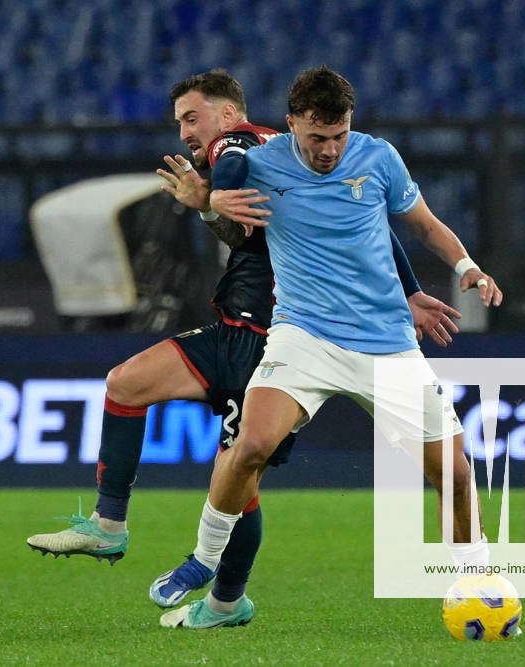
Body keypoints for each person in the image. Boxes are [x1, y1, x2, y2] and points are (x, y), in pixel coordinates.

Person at [25, 69, 462, 612]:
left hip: (280, 336)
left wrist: (213, 197)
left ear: (229, 114)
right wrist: (210, 204)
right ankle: (109, 522)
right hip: (237, 324)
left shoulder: (247, 145)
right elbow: (357, 226)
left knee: (239, 470)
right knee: (127, 383)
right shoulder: (265, 163)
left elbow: (351, 217)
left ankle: (227, 599)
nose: (185, 131)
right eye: (179, 121)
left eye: (192, 118)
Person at [158, 67, 503, 630]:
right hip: (304, 337)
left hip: (387, 345)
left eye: (339, 135)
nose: (330, 149)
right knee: (251, 446)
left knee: (456, 474)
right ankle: (203, 558)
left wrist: (466, 266)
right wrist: (211, 199)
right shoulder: (262, 163)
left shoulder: (378, 158)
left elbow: (423, 225)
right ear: (291, 124)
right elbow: (227, 180)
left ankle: (475, 579)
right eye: (318, 138)